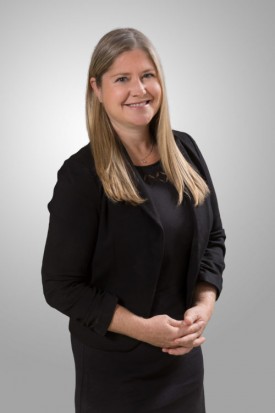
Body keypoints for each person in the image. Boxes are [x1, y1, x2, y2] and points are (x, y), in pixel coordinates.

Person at [41, 28, 226, 413]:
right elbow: (61, 286)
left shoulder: (185, 149)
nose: (139, 89)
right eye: (121, 79)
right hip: (115, 374)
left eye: (147, 75)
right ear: (97, 88)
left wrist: (203, 306)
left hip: (182, 362)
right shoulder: (81, 176)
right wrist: (144, 329)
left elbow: (215, 238)